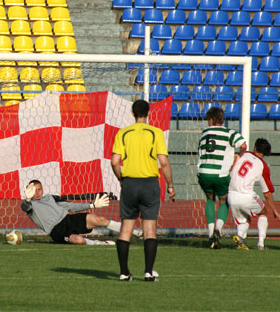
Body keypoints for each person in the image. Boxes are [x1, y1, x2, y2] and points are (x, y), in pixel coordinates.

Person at [111, 99, 175, 282]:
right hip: (149, 184)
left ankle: (124, 273)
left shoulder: (123, 133)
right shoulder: (156, 133)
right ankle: (148, 272)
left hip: (130, 184)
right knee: (150, 229)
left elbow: (115, 162)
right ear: (149, 113)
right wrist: (170, 185)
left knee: (126, 229)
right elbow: (163, 162)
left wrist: (121, 178)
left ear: (132, 113)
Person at [20, 180, 142, 246]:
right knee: (79, 241)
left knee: (99, 219)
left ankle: (136, 233)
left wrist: (92, 205)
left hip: (69, 219)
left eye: (39, 189)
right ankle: (100, 244)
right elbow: (24, 207)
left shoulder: (50, 198)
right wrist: (28, 199)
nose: (37, 193)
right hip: (57, 231)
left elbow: (71, 206)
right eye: (34, 190)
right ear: (29, 191)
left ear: (43, 189)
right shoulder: (30, 205)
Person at [197, 107, 247, 249]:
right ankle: (218, 228)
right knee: (223, 201)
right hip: (220, 173)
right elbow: (243, 145)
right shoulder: (229, 133)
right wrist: (238, 156)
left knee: (209, 199)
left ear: (211, 120)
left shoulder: (204, 133)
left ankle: (211, 235)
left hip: (203, 172)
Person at [228, 138, 280, 251]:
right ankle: (261, 243)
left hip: (231, 194)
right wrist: (275, 210)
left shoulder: (244, 154)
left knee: (245, 219)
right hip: (246, 195)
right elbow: (267, 193)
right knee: (263, 211)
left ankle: (240, 237)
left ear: (255, 148)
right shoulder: (263, 166)